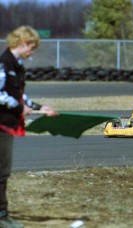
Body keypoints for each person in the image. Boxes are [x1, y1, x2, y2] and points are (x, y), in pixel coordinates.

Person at [0, 26, 57, 228]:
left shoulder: (17, 65)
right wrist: (19, 107)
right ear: (23, 43)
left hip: (9, 121)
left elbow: (18, 95)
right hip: (2, 123)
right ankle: (2, 216)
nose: (32, 52)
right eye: (31, 48)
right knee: (2, 171)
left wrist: (39, 107)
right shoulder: (3, 63)